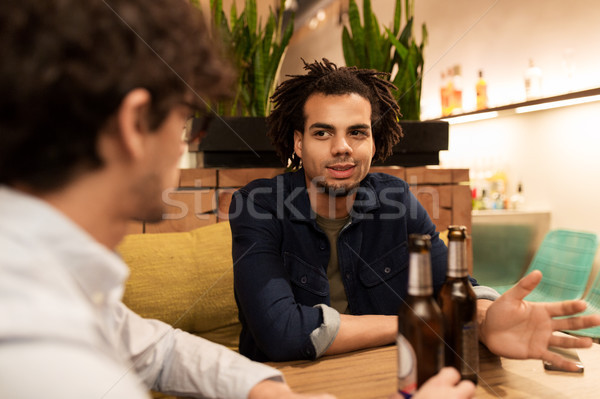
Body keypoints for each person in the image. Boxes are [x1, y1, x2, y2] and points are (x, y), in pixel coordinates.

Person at [0, 1, 338, 398]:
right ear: (136, 124)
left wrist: (267, 392)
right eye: (185, 124)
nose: (183, 148)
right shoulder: (43, 355)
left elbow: (155, 350)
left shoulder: (50, 272)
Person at [229, 59, 600, 371]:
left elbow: (453, 285)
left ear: (373, 142)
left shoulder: (396, 198)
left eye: (357, 132)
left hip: (388, 378)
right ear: (299, 141)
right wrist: (423, 321)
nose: (342, 147)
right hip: (284, 387)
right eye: (323, 132)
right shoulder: (258, 205)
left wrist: (484, 318)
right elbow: (282, 333)